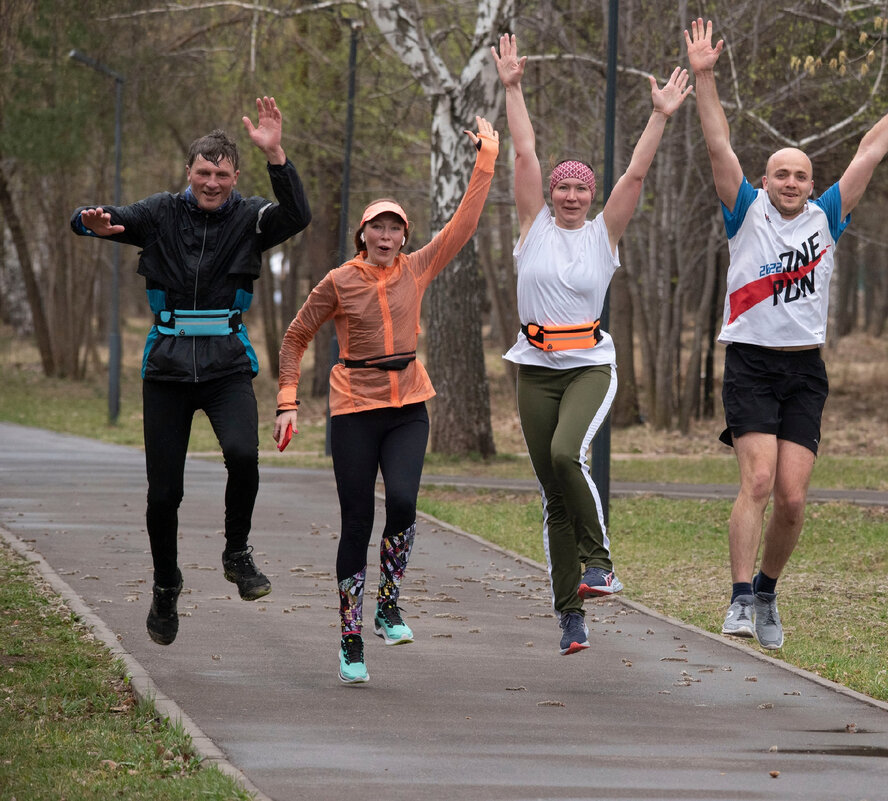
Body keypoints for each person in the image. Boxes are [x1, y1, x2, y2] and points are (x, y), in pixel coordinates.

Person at [685, 18, 888, 650]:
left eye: (799, 175)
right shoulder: (745, 212)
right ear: (765, 181)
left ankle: (766, 591)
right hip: (750, 363)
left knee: (792, 500)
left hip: (805, 370)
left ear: (810, 183)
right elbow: (717, 144)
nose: (789, 182)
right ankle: (739, 599)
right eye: (779, 174)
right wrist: (705, 76)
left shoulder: (826, 218)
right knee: (758, 483)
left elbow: (870, 151)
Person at [70, 97, 311, 647]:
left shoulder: (251, 217)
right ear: (189, 172)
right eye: (203, 172)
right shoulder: (159, 212)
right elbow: (100, 220)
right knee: (163, 494)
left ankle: (236, 552)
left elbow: (298, 216)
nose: (211, 182)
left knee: (244, 455)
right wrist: (89, 224)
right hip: (168, 370)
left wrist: (277, 155)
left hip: (226, 365)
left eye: (222, 174)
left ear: (234, 176)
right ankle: (165, 585)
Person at [273, 117, 498, 684]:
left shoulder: (417, 268)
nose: (388, 235)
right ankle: (350, 638)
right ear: (363, 233)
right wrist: (287, 399)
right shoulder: (338, 280)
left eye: (396, 227)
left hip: (408, 406)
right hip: (353, 407)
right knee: (357, 520)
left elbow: (463, 225)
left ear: (404, 235)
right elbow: (296, 335)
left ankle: (388, 603)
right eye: (378, 227)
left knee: (401, 501)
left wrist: (486, 159)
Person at [491, 34, 692, 656]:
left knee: (564, 453)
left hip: (588, 366)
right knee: (552, 496)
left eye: (581, 189)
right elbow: (523, 151)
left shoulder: (604, 233)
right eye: (563, 189)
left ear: (591, 195)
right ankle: (570, 616)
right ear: (550, 194)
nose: (572, 196)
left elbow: (635, 172)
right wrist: (513, 87)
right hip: (535, 365)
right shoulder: (533, 229)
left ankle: (601, 561)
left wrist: (659, 115)